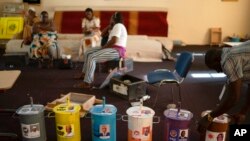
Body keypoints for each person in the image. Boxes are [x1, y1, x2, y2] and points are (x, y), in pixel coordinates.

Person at [197, 40, 250, 134]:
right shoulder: (230, 52)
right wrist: (243, 112)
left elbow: (233, 98)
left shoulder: (228, 61)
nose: (217, 71)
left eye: (215, 68)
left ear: (217, 60)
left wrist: (209, 117)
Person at [74, 12, 127, 88]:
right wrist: (109, 26)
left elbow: (114, 40)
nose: (110, 19)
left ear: (114, 18)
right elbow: (102, 34)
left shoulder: (118, 25)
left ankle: (87, 83)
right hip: (112, 48)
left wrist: (104, 48)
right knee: (88, 52)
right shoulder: (115, 27)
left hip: (117, 51)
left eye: (111, 18)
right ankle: (84, 74)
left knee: (92, 57)